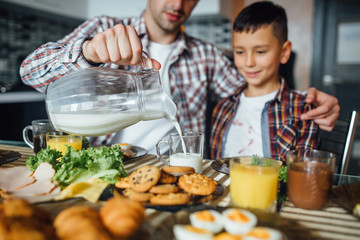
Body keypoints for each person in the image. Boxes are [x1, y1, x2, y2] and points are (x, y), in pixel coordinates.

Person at [20, 0, 338, 155]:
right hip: (106, 167)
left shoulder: (207, 56)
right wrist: (89, 51)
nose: (177, 3)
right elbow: (30, 72)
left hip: (176, 173)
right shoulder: (106, 28)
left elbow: (254, 90)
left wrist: (307, 99)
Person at [210, 1, 320, 162]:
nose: (248, 62)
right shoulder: (222, 109)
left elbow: (303, 175)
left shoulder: (302, 110)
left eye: (260, 51)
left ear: (284, 52)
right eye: (240, 52)